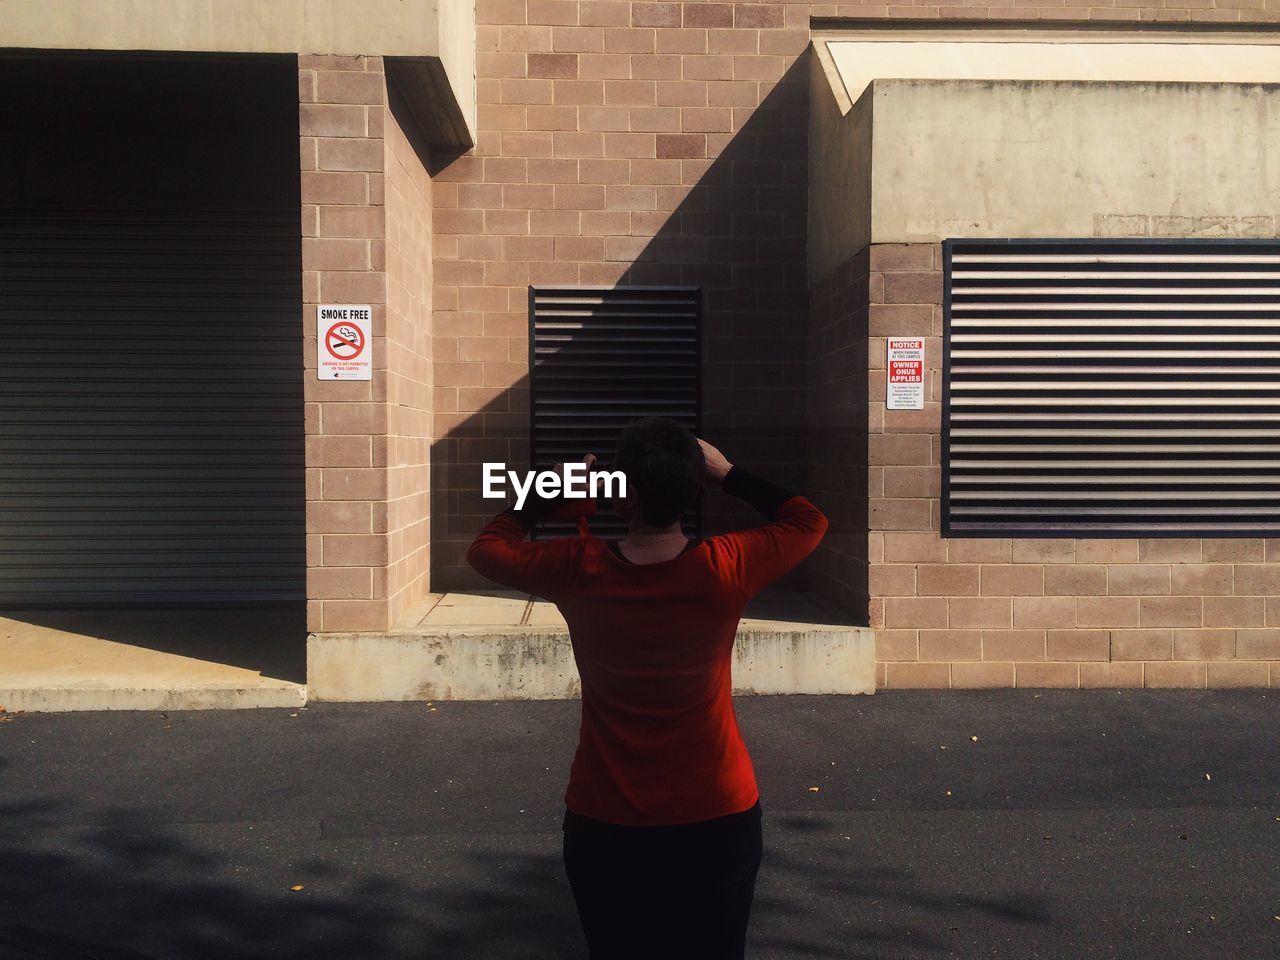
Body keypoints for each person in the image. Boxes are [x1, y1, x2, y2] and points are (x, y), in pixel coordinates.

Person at [466, 417, 828, 960]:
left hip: (607, 821)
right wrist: (727, 472)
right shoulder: (725, 566)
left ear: (623, 497)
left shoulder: (578, 566)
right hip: (718, 815)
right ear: (690, 490)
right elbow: (808, 519)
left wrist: (550, 487)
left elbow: (487, 546)